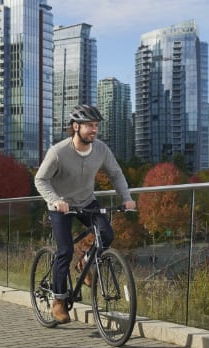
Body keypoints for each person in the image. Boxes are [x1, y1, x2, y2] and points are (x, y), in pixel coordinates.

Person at [35, 104, 136, 323]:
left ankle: (85, 262)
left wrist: (126, 198)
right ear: (75, 127)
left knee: (106, 234)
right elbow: (40, 180)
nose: (94, 130)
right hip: (60, 206)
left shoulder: (101, 149)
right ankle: (58, 301)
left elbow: (116, 174)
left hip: (87, 201)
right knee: (65, 250)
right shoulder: (58, 152)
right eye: (89, 126)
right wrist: (55, 200)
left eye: (96, 126)